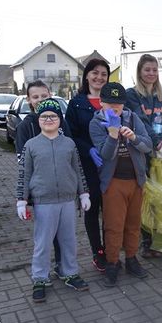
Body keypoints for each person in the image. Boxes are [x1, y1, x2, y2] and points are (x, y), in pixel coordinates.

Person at [16, 99, 90, 303]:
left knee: (68, 240)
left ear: (60, 119)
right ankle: (40, 278)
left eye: (53, 116)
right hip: (43, 202)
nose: (49, 119)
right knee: (43, 242)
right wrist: (21, 200)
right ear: (38, 120)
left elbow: (78, 170)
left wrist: (83, 193)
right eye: (44, 116)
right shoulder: (31, 146)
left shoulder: (69, 144)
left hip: (67, 201)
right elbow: (24, 174)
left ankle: (69, 272)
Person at [89, 82, 152, 287]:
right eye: (110, 104)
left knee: (133, 224)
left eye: (119, 105)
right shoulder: (96, 123)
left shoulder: (132, 118)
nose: (115, 108)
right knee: (114, 226)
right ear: (101, 103)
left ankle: (132, 259)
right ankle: (112, 263)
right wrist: (113, 135)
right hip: (113, 182)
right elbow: (106, 155)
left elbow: (147, 146)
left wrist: (133, 137)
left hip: (135, 180)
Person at [15, 80, 73, 279]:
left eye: (44, 96)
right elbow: (23, 164)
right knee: (45, 237)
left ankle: (63, 268)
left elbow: (71, 152)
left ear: (50, 95)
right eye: (35, 97)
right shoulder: (25, 127)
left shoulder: (60, 121)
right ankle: (41, 275)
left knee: (64, 237)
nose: (40, 100)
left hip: (64, 193)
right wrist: (23, 197)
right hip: (41, 193)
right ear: (29, 100)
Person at [125, 54, 162, 258]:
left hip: (160, 153)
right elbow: (140, 120)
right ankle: (146, 242)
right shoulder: (132, 95)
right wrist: (155, 142)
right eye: (147, 69)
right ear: (140, 71)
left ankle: (159, 240)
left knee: (159, 198)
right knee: (144, 198)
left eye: (155, 70)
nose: (151, 73)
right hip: (141, 152)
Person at [65, 59, 110, 272]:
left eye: (103, 74)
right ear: (87, 75)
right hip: (88, 164)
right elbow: (70, 134)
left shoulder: (112, 100)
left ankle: (111, 248)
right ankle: (97, 251)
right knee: (92, 209)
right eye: (95, 73)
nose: (99, 77)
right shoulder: (76, 103)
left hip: (111, 164)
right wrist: (88, 150)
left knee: (110, 209)